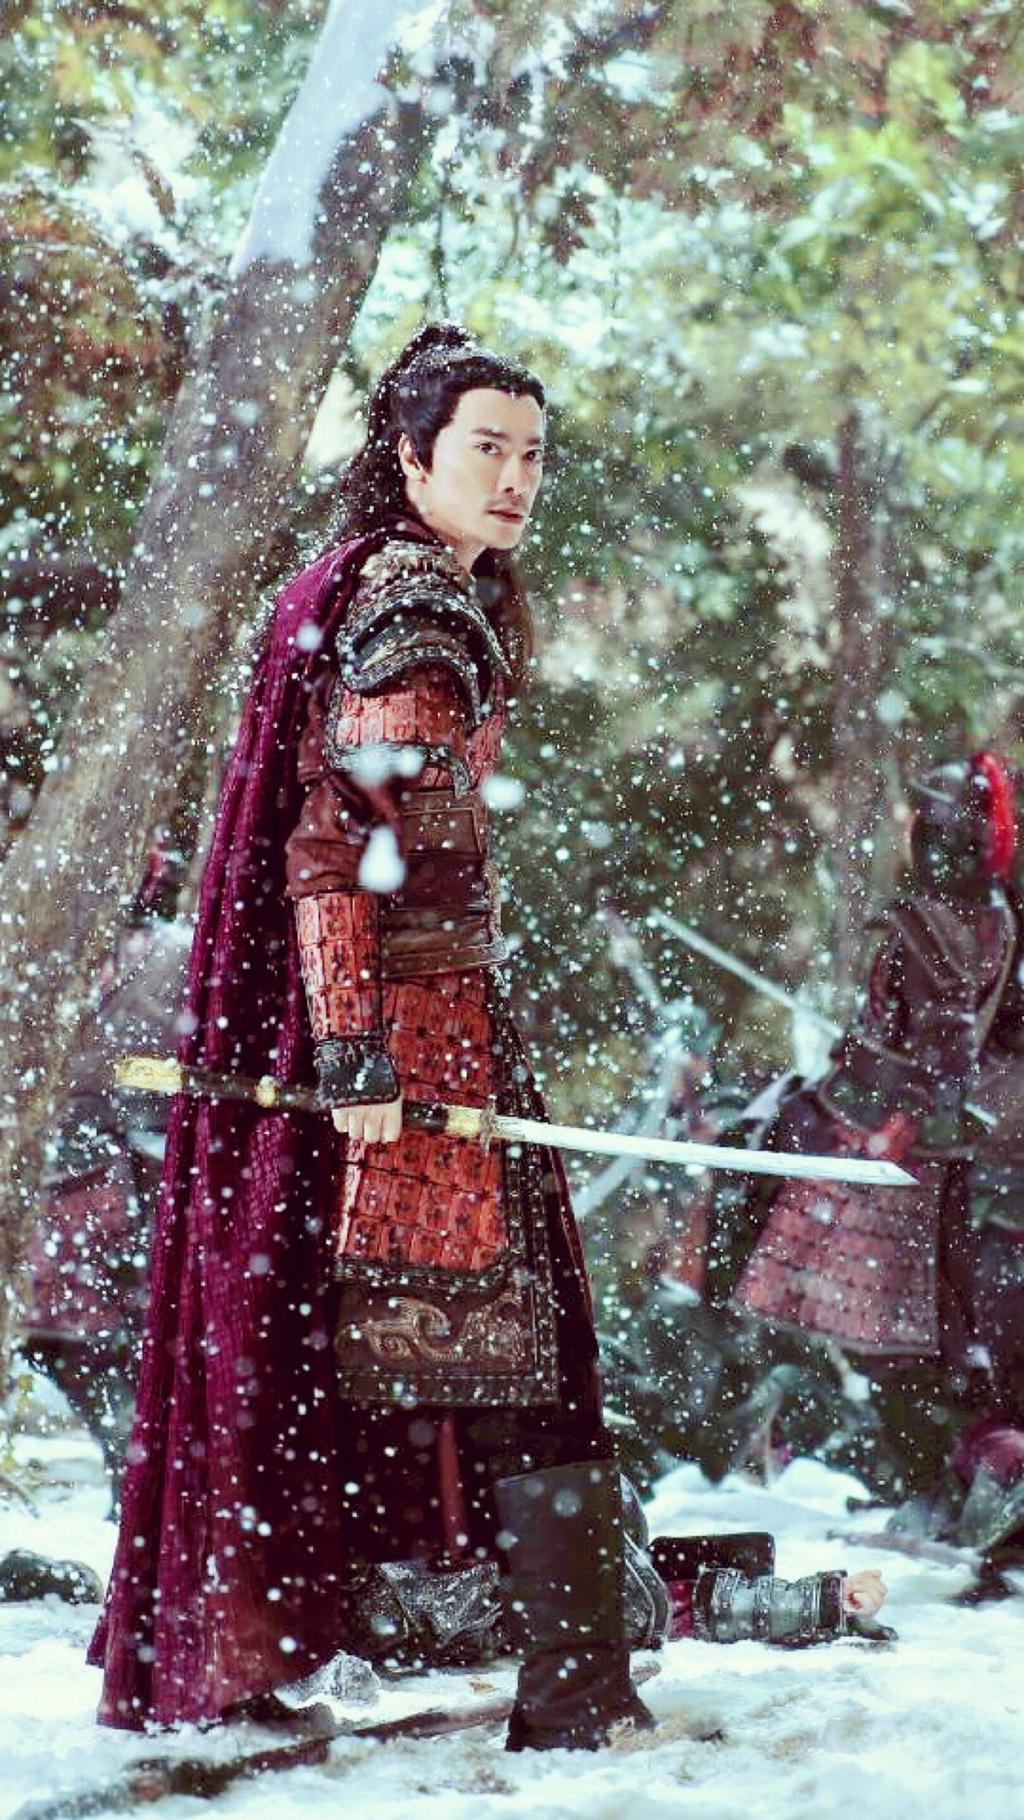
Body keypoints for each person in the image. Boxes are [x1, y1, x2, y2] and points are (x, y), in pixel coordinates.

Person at [88, 323, 652, 1752]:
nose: (516, 478)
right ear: (411, 457)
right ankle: (573, 1690)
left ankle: (536, 1671)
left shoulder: (372, 583)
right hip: (410, 1035)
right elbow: (353, 850)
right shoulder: (408, 607)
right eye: (486, 448)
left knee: (450, 1340)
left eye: (532, 454)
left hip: (400, 1023)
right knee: (521, 1345)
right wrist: (358, 1052)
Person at [731, 752, 1024, 1561]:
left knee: (901, 1339)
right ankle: (957, 1476)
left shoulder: (939, 927)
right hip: (906, 1142)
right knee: (918, 1336)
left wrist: (900, 1122)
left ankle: (969, 1476)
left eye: (931, 823)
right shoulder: (993, 916)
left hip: (892, 1153)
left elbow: (949, 1048)